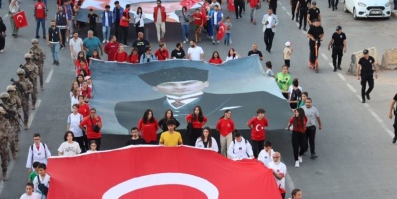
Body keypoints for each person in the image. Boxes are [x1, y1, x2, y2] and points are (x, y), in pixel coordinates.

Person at [115, 67, 283, 132]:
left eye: (189, 82)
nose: (180, 87)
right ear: (155, 87)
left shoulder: (246, 99)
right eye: (169, 84)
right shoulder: (129, 107)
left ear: (205, 83)